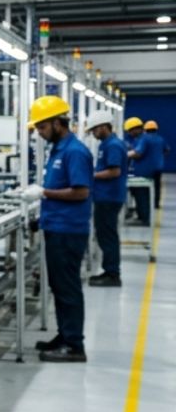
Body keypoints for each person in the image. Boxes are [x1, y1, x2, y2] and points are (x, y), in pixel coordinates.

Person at [23, 96, 92, 363]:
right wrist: (41, 217)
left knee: (67, 287)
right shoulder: (59, 149)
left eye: (42, 127)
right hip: (56, 226)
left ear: (57, 123)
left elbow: (81, 192)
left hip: (68, 231)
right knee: (59, 286)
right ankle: (65, 336)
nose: (39, 133)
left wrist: (43, 193)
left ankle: (74, 346)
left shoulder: (75, 151)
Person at [84, 110, 127, 287]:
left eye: (94, 129)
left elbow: (114, 171)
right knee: (105, 234)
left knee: (107, 236)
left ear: (103, 127)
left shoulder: (113, 145)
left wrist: (91, 175)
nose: (93, 133)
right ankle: (110, 271)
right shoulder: (107, 144)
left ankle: (112, 274)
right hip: (106, 196)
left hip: (109, 197)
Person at [125, 117, 152, 225]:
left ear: (137, 129)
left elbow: (137, 153)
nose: (129, 133)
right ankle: (141, 216)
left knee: (142, 196)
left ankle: (144, 219)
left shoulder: (144, 139)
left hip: (143, 173)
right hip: (138, 172)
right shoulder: (139, 139)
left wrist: (124, 154)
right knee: (138, 194)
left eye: (130, 131)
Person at [145, 120, 166, 209]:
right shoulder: (160, 139)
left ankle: (147, 204)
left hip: (147, 168)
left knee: (145, 186)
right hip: (158, 166)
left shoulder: (144, 139)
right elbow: (166, 150)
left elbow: (139, 152)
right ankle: (156, 204)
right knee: (157, 186)